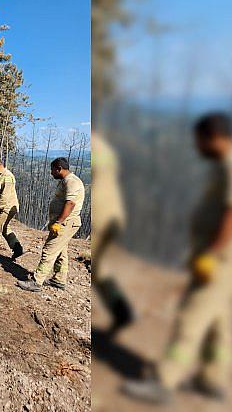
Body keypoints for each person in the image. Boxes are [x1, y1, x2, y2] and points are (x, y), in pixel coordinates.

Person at [123, 112, 232, 403]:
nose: (197, 147)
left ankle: (164, 382)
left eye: (199, 141)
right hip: (219, 253)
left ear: (213, 137)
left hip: (226, 256)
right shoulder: (227, 165)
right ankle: (212, 378)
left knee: (192, 316)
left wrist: (211, 254)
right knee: (217, 315)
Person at [17, 157, 85, 292]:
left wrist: (59, 222)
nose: (51, 173)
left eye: (52, 170)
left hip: (66, 223)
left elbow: (70, 203)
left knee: (49, 250)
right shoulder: (66, 181)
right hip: (63, 222)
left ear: (59, 168)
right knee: (61, 251)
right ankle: (59, 279)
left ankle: (37, 282)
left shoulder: (71, 182)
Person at [91, 132, 135, 335]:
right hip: (112, 213)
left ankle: (122, 311)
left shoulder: (97, 146)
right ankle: (122, 311)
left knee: (98, 267)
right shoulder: (104, 147)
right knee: (99, 267)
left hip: (103, 216)